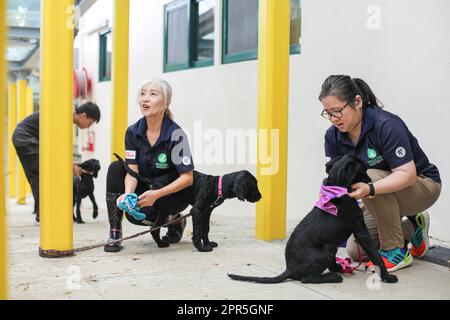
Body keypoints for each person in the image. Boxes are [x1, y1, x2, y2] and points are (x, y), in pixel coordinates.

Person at [319, 75, 441, 272]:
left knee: (371, 176)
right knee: (356, 250)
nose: (333, 119)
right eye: (328, 113)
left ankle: (395, 250)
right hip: (378, 196)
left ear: (357, 102)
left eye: (337, 111)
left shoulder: (386, 125)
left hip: (422, 186)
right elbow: (334, 179)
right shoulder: (332, 136)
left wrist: (370, 188)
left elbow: (407, 173)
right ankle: (415, 226)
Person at [104, 78, 194, 252]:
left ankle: (174, 219)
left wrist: (156, 194)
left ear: (166, 102)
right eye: (142, 94)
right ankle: (115, 232)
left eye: (153, 94)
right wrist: (127, 195)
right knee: (116, 168)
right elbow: (132, 170)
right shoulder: (132, 132)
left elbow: (187, 178)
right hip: (145, 185)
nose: (145, 99)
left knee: (145, 218)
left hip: (170, 193)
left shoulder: (177, 135)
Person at [12, 102, 101, 224]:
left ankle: (42, 214)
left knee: (38, 175)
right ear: (83, 116)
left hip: (25, 138)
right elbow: (56, 148)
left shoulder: (65, 118)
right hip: (26, 138)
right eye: (90, 123)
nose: (88, 126)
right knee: (42, 175)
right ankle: (43, 215)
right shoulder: (63, 117)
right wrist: (69, 165)